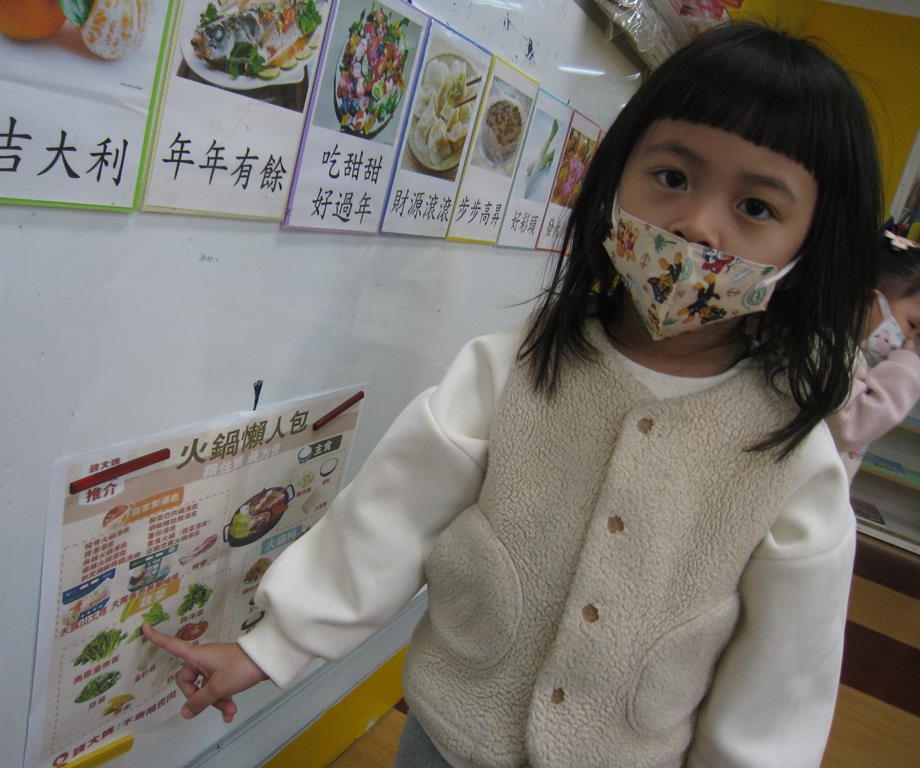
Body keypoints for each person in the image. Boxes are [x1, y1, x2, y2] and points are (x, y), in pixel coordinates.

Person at [143, 22, 883, 767]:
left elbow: (781, 685)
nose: (696, 224)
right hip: (447, 739)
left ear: (813, 245)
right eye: (671, 176)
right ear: (616, 175)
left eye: (756, 207)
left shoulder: (796, 463)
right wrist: (274, 643)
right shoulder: (514, 368)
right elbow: (392, 515)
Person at [828, 226, 920, 479]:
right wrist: (904, 372)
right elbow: (849, 427)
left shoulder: (853, 354)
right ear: (868, 300)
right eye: (912, 325)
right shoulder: (827, 350)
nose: (910, 343)